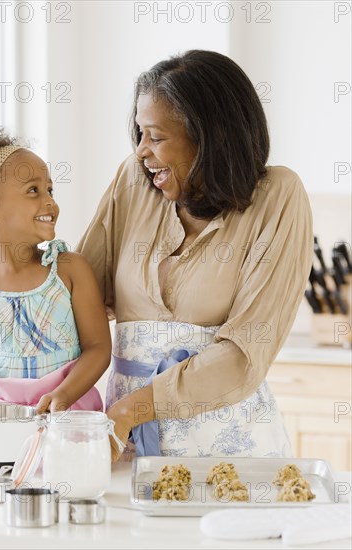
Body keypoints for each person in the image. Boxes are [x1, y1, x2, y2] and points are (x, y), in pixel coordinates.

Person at [76, 50, 314, 461]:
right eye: (139, 134)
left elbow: (245, 354)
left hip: (230, 448)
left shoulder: (278, 196)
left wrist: (132, 409)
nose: (140, 152)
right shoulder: (132, 184)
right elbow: (72, 305)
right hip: (126, 443)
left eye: (157, 136)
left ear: (211, 137)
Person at [0, 129, 112, 457]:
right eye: (33, 190)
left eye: (49, 189)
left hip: (67, 418)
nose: (50, 201)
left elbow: (98, 347)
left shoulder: (70, 270)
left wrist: (66, 393)